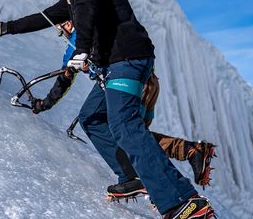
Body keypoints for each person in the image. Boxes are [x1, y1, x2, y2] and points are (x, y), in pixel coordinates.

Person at [0, 0, 215, 218]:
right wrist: (5, 27)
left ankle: (183, 202)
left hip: (125, 59)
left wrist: (82, 48)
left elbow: (86, 6)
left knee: (125, 126)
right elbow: (46, 16)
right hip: (119, 64)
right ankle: (132, 176)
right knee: (91, 117)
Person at [31, 21, 216, 202]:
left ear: (69, 23)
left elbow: (65, 77)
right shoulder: (97, 29)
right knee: (135, 139)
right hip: (147, 82)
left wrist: (44, 104)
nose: (62, 32)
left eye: (61, 28)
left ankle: (146, 181)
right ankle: (189, 153)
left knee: (128, 137)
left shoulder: (80, 36)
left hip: (129, 83)